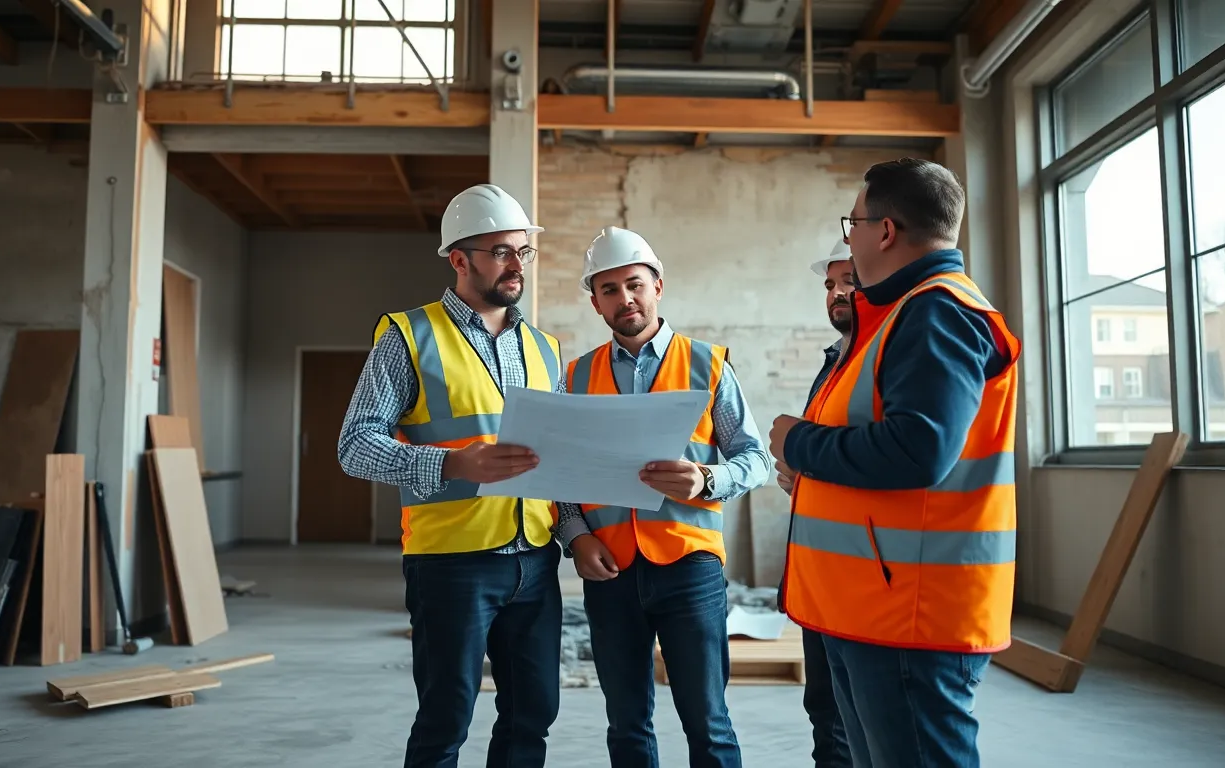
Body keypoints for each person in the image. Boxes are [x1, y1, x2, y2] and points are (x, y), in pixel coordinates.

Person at [768, 158, 1021, 768]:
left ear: (883, 231)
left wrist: (795, 442)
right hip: (873, 604)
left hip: (910, 612)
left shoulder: (936, 312)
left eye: (852, 222)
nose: (848, 237)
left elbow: (918, 449)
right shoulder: (900, 316)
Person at [337, 183, 566, 768]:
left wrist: (577, 533)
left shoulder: (545, 348)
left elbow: (561, 454)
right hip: (451, 563)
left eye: (522, 251)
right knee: (446, 718)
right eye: (500, 252)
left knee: (531, 716)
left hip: (534, 559)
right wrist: (450, 463)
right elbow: (354, 446)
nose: (516, 265)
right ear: (459, 259)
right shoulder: (408, 335)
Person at [555, 226, 772, 768]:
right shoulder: (576, 376)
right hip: (608, 570)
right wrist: (577, 537)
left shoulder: (709, 365)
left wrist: (708, 479)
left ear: (658, 286)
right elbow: (561, 474)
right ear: (595, 301)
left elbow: (757, 459)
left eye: (634, 284)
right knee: (627, 726)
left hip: (689, 566)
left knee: (708, 722)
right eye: (609, 289)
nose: (624, 298)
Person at [774, 241, 855, 768]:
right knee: (825, 711)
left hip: (863, 577)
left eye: (848, 278)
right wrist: (796, 475)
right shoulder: (834, 362)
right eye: (829, 284)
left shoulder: (877, 361)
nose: (837, 292)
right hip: (820, 575)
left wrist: (796, 446)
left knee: (856, 722)